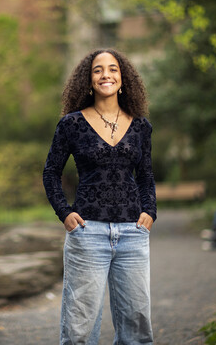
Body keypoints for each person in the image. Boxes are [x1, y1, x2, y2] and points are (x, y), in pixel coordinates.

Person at [42, 49, 156, 345]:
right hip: (87, 233)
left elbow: (145, 175)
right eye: (98, 70)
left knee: (137, 327)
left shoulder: (141, 126)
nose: (106, 74)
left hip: (133, 233)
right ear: (89, 81)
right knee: (79, 328)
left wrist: (149, 212)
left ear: (123, 79)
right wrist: (64, 214)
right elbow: (51, 172)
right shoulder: (72, 124)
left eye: (113, 69)